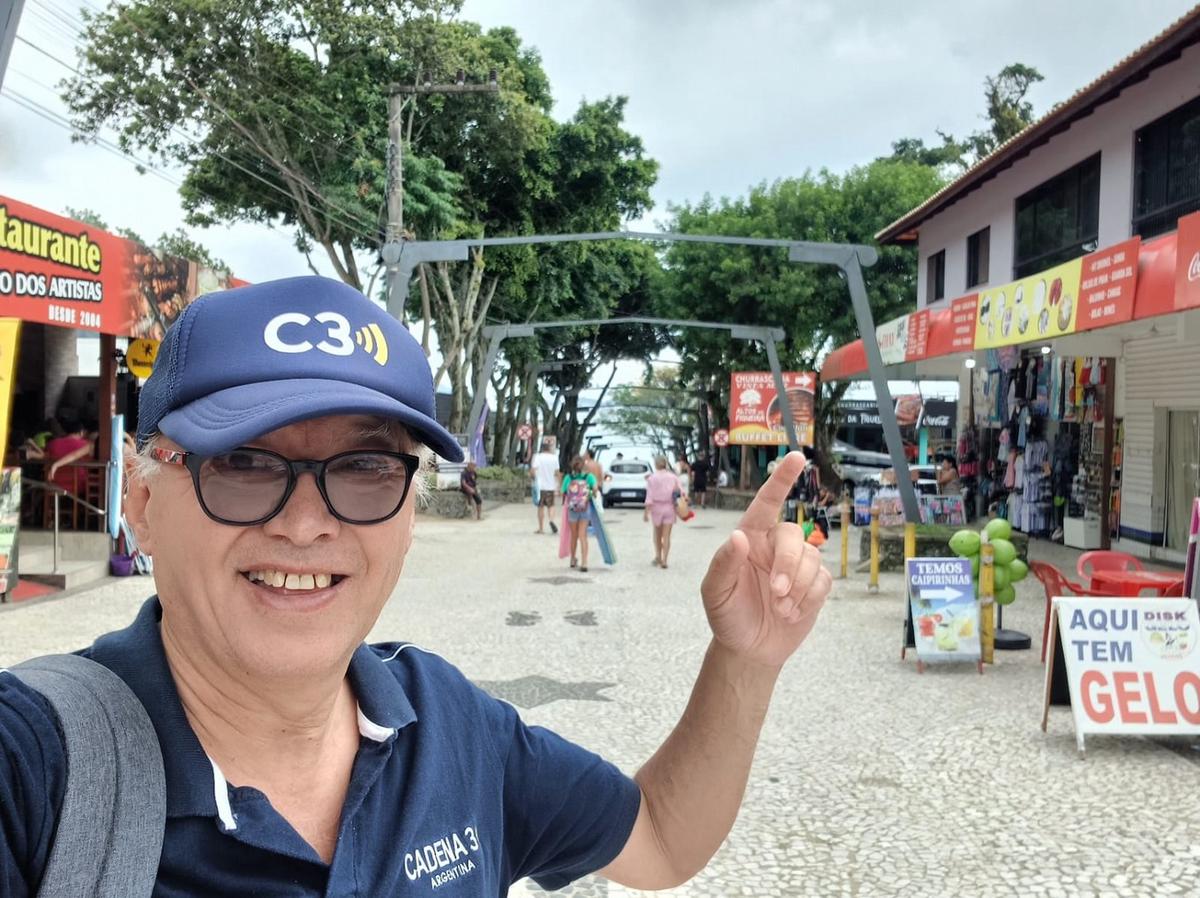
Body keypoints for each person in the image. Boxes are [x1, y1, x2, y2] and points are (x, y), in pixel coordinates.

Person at [0, 277, 832, 896]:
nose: (304, 524)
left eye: (363, 470)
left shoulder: (451, 730)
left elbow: (656, 838)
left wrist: (746, 659)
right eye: (244, 464)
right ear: (143, 504)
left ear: (408, 512)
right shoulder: (35, 768)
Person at [561, 456, 598, 572]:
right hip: (585, 508)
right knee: (583, 535)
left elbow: (563, 492)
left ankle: (572, 559)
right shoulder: (589, 477)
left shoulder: (568, 477)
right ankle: (584, 562)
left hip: (572, 509)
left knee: (574, 535)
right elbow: (595, 490)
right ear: (583, 465)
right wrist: (591, 495)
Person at [644, 456, 679, 568]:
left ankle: (658, 556)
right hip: (670, 507)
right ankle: (665, 560)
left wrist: (646, 513)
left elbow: (649, 497)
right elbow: (679, 492)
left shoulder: (652, 478)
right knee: (667, 535)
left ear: (655, 465)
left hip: (656, 508)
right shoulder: (673, 477)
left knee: (657, 535)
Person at [44, 416, 94, 495]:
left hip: (54, 483)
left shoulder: (52, 444)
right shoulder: (86, 445)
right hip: (78, 486)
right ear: (81, 432)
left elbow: (44, 456)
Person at [530, 438, 560, 535]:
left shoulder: (538, 457)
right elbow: (557, 473)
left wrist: (534, 479)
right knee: (551, 506)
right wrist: (558, 486)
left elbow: (533, 470)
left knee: (540, 507)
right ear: (549, 449)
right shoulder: (554, 458)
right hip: (550, 486)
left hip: (540, 486)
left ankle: (541, 528)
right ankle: (551, 520)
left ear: (542, 449)